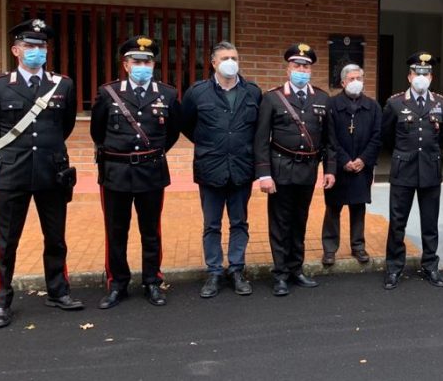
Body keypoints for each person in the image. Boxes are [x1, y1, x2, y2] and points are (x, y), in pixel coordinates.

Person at [0, 18, 83, 328]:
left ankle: (58, 291)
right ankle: (0, 300)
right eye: (30, 46)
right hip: (13, 173)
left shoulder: (62, 84)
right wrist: (10, 155)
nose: (36, 51)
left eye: (41, 46)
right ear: (15, 50)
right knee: (7, 241)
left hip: (52, 173)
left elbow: (65, 125)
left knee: (56, 237)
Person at [91, 36, 182, 309]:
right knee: (116, 231)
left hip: (151, 171)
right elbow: (97, 131)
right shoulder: (108, 93)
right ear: (126, 64)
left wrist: (149, 152)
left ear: (153, 64)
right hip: (115, 172)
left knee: (150, 230)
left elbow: (172, 132)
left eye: (147, 61)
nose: (142, 65)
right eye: (137, 61)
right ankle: (117, 283)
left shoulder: (167, 94)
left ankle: (152, 281)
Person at [181, 41, 262, 298]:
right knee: (212, 224)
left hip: (241, 168)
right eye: (226, 57)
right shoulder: (197, 92)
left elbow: (258, 130)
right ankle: (214, 271)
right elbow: (186, 124)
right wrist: (209, 145)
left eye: (235, 57)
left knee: (239, 223)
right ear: (213, 62)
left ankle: (236, 270)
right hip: (210, 168)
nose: (231, 62)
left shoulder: (252, 92)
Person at [254, 43, 336, 297]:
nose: (301, 69)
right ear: (288, 68)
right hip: (280, 169)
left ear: (311, 70)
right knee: (280, 223)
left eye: (306, 66)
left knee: (299, 221)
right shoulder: (272, 98)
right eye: (296, 65)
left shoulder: (322, 99)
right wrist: (264, 174)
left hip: (308, 170)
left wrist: (329, 169)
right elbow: (260, 139)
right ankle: (279, 274)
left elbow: (329, 140)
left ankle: (295, 269)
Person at [381, 52, 443, 290]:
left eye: (426, 74)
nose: (421, 77)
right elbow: (387, 136)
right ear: (409, 76)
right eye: (417, 73)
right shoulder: (395, 103)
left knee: (430, 223)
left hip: (430, 170)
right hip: (404, 170)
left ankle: (430, 265)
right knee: (398, 222)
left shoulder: (441, 103)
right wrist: (403, 153)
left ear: (431, 77)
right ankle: (393, 268)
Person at [321, 64, 382, 267]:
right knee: (333, 208)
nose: (356, 82)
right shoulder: (331, 105)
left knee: (358, 207)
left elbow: (377, 137)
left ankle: (358, 246)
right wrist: (344, 160)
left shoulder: (373, 106)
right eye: (352, 78)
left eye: (360, 78)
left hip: (361, 167)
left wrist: (363, 160)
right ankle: (330, 249)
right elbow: (329, 138)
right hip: (338, 167)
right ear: (343, 82)